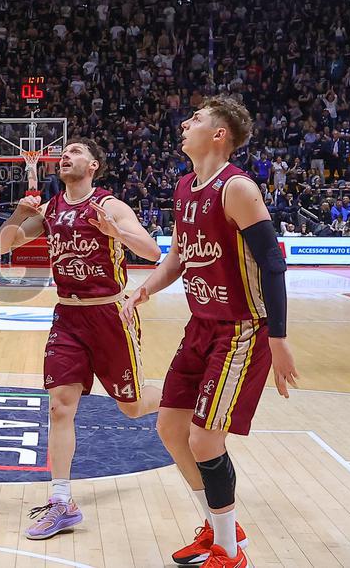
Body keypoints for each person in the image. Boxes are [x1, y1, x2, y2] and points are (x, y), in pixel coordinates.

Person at [121, 97, 298, 568]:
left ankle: (230, 553)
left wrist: (278, 340)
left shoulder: (237, 188)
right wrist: (145, 290)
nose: (184, 122)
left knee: (204, 439)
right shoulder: (184, 187)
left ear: (220, 134)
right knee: (170, 427)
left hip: (241, 330)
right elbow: (178, 257)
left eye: (196, 118)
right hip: (200, 325)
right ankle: (218, 526)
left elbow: (274, 265)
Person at [0, 138, 162, 540]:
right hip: (68, 315)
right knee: (59, 407)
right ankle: (62, 501)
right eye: (63, 152)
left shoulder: (110, 205)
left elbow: (153, 252)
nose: (66, 155)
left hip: (109, 315)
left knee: (133, 408)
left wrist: (114, 231)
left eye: (76, 151)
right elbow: (1, 246)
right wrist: (18, 212)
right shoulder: (50, 209)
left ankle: (180, 396)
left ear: (94, 165)